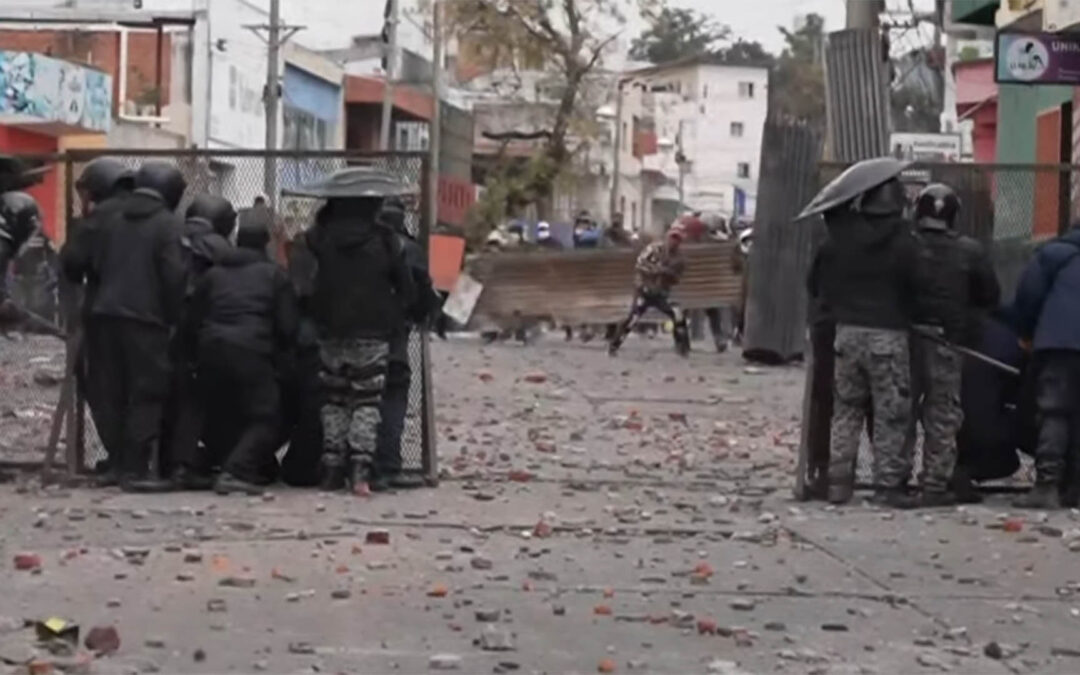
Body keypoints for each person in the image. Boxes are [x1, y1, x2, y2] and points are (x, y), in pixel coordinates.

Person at [805, 159, 923, 509]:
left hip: (846, 335)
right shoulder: (905, 240)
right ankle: (888, 485)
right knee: (890, 412)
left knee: (846, 409)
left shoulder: (838, 239)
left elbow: (814, 284)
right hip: (888, 335)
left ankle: (839, 483)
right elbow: (917, 286)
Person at [291, 168, 416, 490]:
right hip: (374, 332)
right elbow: (406, 287)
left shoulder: (316, 238)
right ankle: (360, 466)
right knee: (366, 400)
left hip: (330, 330)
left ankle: (332, 466)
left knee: (334, 399)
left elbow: (303, 287)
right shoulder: (386, 240)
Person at [88, 161, 187, 491]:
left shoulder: (111, 219)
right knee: (147, 393)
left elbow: (94, 264)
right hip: (147, 320)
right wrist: (175, 317)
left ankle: (115, 463)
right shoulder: (167, 225)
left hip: (104, 316)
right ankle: (134, 467)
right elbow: (173, 276)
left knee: (110, 392)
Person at [904, 183, 1000, 506]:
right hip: (948, 341)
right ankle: (935, 483)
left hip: (908, 338)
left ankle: (892, 479)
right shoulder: (970, 251)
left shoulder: (906, 246)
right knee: (943, 412)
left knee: (900, 410)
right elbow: (990, 296)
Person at [187, 220, 298, 495]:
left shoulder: (214, 275)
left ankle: (233, 462)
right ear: (265, 243)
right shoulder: (275, 276)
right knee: (267, 416)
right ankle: (236, 469)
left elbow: (192, 318)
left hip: (211, 349)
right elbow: (287, 327)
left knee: (219, 412)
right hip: (253, 349)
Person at [60, 158, 135, 472]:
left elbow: (72, 264)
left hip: (103, 315)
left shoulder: (96, 220)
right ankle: (139, 459)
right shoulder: (152, 215)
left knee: (102, 388)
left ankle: (119, 456)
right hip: (148, 317)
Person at [167, 195, 238, 489]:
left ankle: (165, 461)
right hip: (202, 330)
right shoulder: (219, 248)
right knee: (197, 400)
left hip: (164, 325)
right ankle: (185, 464)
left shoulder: (171, 235)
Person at [1010, 219, 1080, 509]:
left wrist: (1027, 333)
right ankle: (1075, 488)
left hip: (1060, 342)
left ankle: (1047, 484)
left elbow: (1028, 296)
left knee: (1055, 410)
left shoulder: (1055, 254)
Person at [373, 198, 440, 490]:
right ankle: (386, 464)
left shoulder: (360, 247)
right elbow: (422, 294)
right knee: (394, 395)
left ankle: (352, 462)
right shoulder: (409, 250)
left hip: (351, 333)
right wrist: (420, 316)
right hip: (394, 333)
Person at [608, 225, 690, 357]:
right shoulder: (654, 249)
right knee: (632, 318)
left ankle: (683, 348)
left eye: (677, 239)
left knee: (678, 315)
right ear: (667, 237)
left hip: (663, 292)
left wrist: (668, 274)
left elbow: (677, 278)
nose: (674, 242)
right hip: (645, 289)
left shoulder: (680, 259)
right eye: (672, 238)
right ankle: (614, 345)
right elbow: (640, 264)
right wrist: (655, 271)